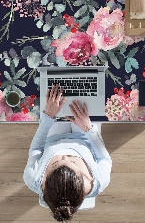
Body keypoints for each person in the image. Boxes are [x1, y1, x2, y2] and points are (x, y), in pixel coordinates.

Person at [24, 84, 112, 221]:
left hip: (53, 137)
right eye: (72, 162)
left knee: (53, 98)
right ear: (84, 179)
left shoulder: (33, 179)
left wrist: (48, 116)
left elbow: (36, 149)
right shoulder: (99, 181)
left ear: (45, 181)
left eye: (56, 163)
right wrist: (88, 128)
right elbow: (104, 159)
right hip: (85, 137)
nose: (64, 155)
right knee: (88, 92)